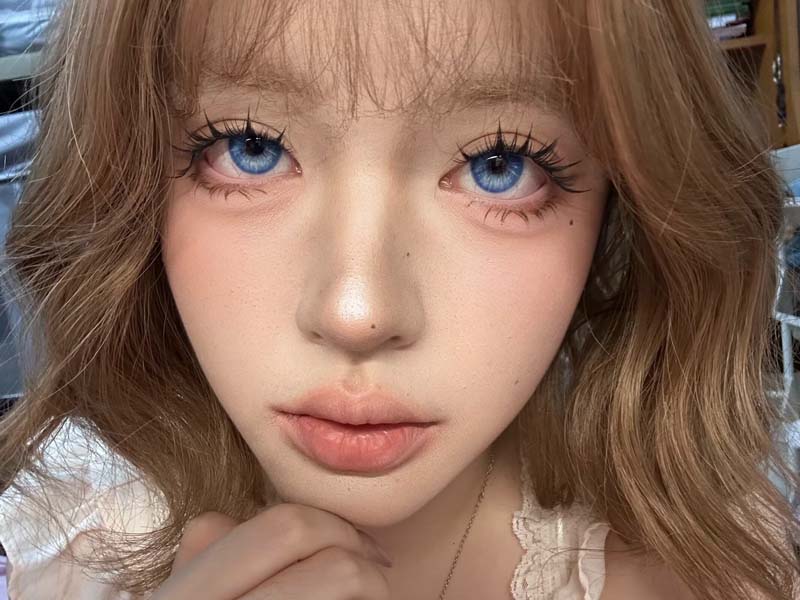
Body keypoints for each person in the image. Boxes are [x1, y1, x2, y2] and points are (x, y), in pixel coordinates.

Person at [0, 0, 797, 598]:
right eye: (251, 146)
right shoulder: (58, 542)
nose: (357, 312)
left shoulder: (721, 570)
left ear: (620, 206)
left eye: (499, 164)